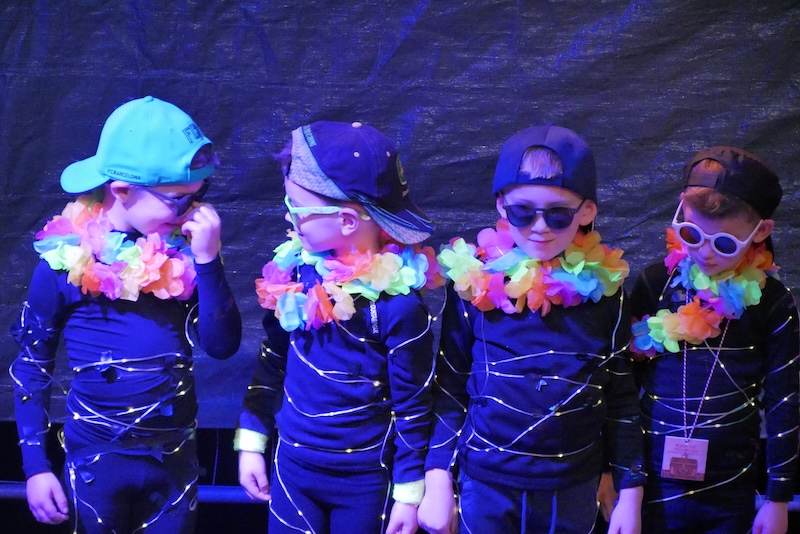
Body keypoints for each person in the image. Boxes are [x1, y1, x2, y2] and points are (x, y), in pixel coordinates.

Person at [10, 95, 242, 533]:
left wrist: (209, 261)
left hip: (173, 464)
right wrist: (36, 466)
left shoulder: (187, 254)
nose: (196, 212)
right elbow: (32, 364)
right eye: (179, 200)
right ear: (122, 191)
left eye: (201, 195)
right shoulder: (63, 262)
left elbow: (222, 345)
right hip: (97, 464)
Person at [418, 125, 645, 534]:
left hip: (572, 486)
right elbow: (451, 386)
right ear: (501, 206)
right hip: (485, 482)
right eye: (523, 211)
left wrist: (630, 491)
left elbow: (621, 397)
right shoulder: (473, 284)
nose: (540, 226)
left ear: (586, 212)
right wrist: (437, 478)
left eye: (558, 213)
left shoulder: (606, 292)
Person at [235, 121, 443, 534]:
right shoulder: (294, 273)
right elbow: (273, 358)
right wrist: (252, 437)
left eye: (296, 207)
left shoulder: (399, 306)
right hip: (293, 468)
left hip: (365, 482)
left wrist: (407, 492)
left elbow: (414, 403)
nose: (288, 215)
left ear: (347, 221)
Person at [628, 146, 799, 533]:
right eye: (691, 234)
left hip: (731, 486)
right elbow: (623, 387)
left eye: (724, 243)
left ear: (761, 232)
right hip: (650, 481)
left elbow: (784, 401)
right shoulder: (655, 284)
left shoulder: (772, 302)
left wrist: (778, 498)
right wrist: (623, 483)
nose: (704, 252)